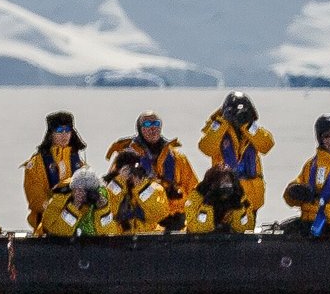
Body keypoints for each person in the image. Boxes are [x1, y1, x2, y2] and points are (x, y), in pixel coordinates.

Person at [107, 111, 198, 230]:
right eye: (147, 124)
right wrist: (122, 179)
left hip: (174, 221)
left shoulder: (177, 158)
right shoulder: (126, 158)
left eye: (156, 123)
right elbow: (111, 192)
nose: (153, 128)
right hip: (142, 222)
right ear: (140, 129)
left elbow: (194, 189)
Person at [196, 93, 274, 222]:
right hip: (224, 194)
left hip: (252, 195)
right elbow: (206, 148)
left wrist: (247, 125)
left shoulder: (252, 131)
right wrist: (223, 123)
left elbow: (267, 145)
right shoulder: (218, 129)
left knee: (246, 230)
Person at [22, 111, 87, 227]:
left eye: (67, 130)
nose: (64, 135)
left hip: (76, 220)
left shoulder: (78, 162)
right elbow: (36, 200)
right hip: (48, 223)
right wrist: (60, 209)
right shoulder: (37, 163)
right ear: (51, 134)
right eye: (59, 131)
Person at [104, 150, 172, 236]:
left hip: (148, 238)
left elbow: (159, 213)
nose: (130, 173)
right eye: (126, 169)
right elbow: (108, 213)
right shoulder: (110, 189)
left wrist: (141, 187)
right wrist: (119, 181)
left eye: (132, 169)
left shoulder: (154, 188)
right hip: (120, 240)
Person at [38, 166, 116, 238]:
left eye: (89, 191)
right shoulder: (60, 199)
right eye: (82, 190)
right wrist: (74, 206)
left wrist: (103, 210)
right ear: (74, 190)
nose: (85, 195)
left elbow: (110, 234)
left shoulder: (99, 198)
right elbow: (58, 234)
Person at [187, 165, 253, 234]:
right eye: (221, 183)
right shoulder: (197, 197)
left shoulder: (239, 196)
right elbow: (196, 228)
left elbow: (246, 228)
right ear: (211, 184)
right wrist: (206, 206)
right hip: (199, 240)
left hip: (231, 240)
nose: (225, 187)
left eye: (228, 183)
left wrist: (239, 209)